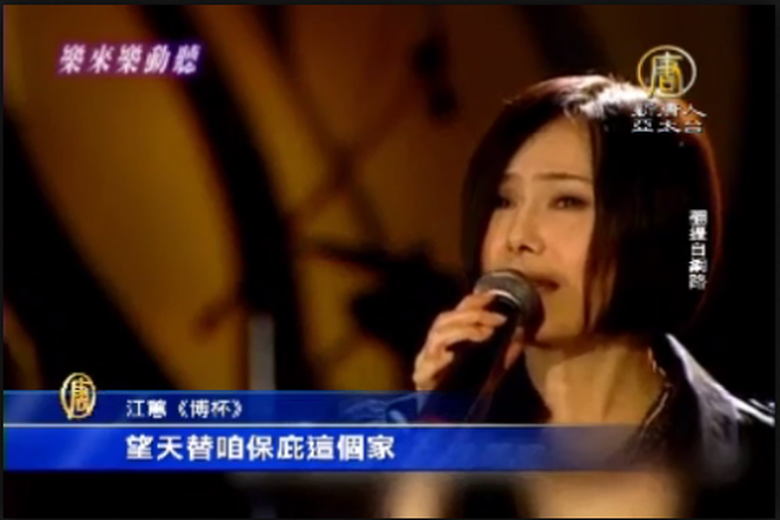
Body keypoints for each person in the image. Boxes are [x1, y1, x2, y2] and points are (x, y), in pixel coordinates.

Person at [383, 75, 774, 518]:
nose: (518, 237)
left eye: (566, 201)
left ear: (654, 225)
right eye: (503, 200)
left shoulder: (762, 466)